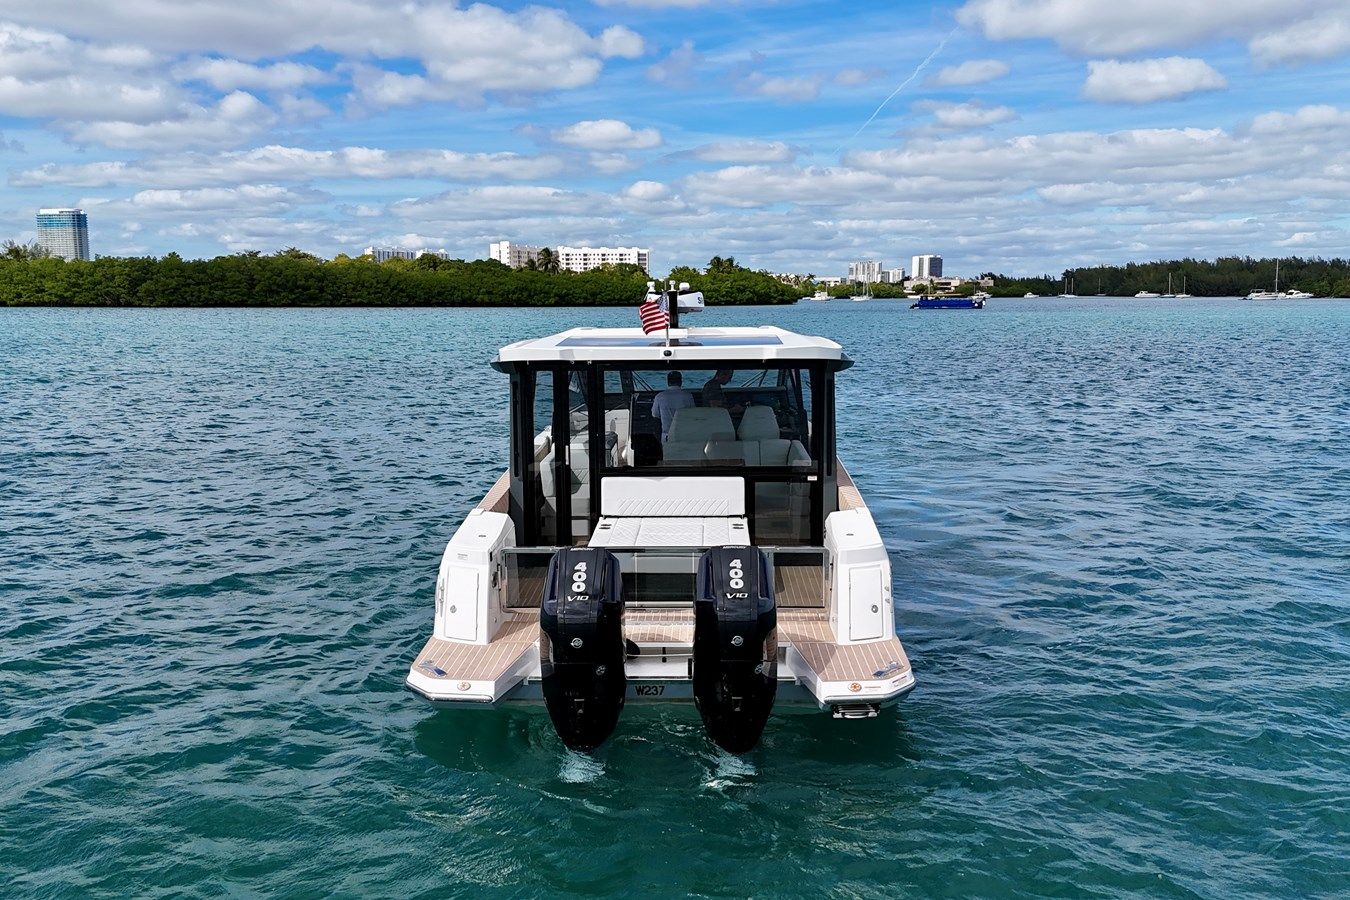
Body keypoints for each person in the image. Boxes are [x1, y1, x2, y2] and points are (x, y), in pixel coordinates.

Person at [651, 371, 694, 441]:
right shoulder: (688, 396)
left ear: (668, 382)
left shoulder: (659, 396)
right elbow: (693, 414)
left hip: (667, 436)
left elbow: (655, 415)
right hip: (684, 436)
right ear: (680, 382)